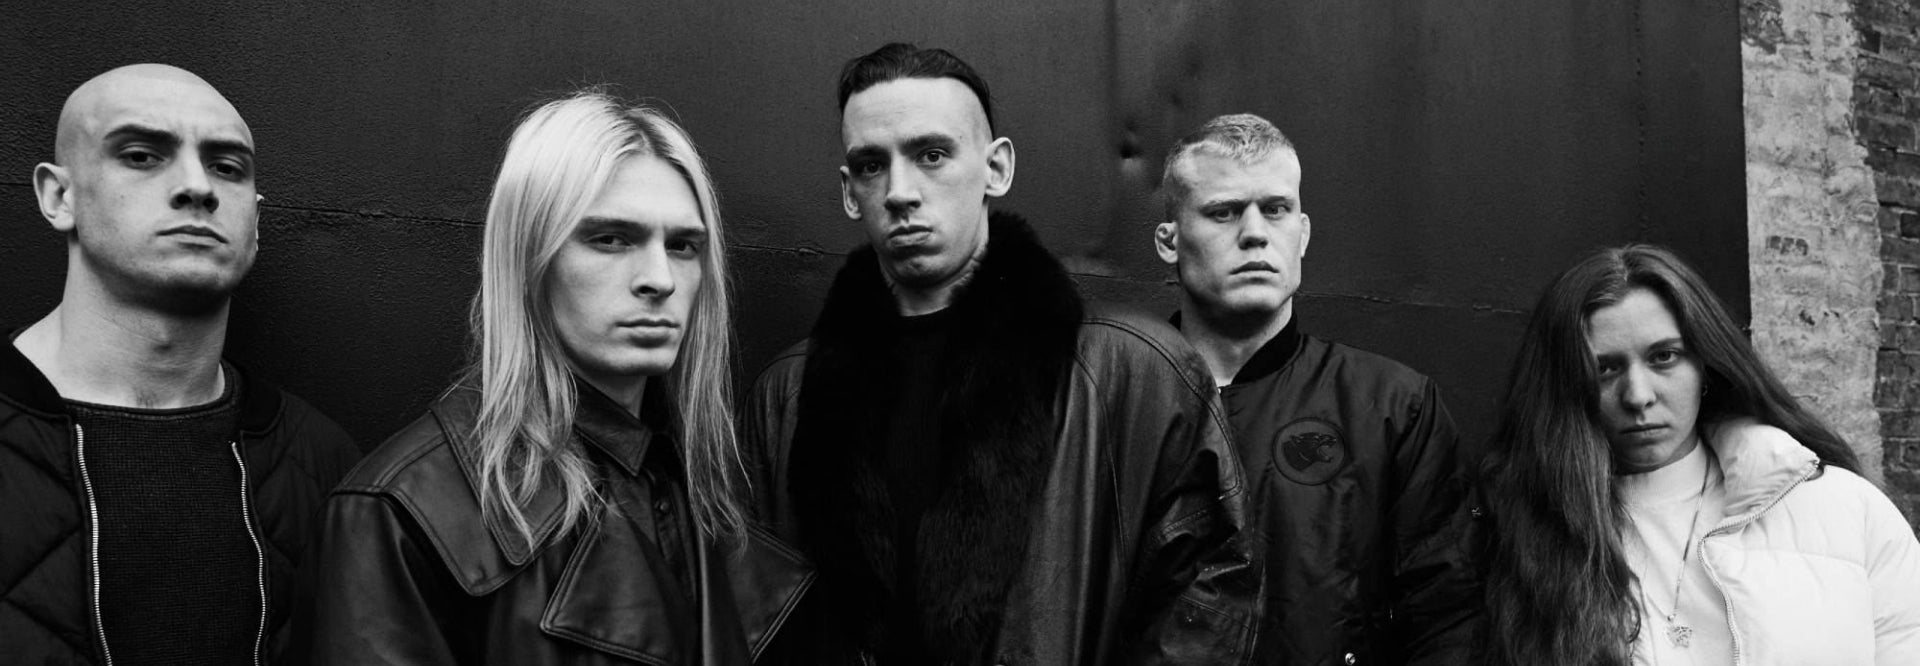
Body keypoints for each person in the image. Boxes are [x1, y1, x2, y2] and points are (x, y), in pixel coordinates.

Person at [745, 43, 1260, 665]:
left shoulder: (1133, 371)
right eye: (871, 164)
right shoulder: (788, 396)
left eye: (931, 155)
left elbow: (1211, 597)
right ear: (850, 192)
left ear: (996, 168)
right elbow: (756, 620)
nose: (900, 191)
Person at [294, 91, 810, 665]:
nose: (660, 278)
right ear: (528, 258)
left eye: (683, 245)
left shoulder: (702, 486)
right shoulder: (400, 513)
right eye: (610, 239)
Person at [0, 64, 361, 664]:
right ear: (60, 197)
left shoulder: (325, 463)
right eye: (142, 156)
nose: (198, 187)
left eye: (228, 167)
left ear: (255, 221)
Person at [1482, 244, 1920, 665]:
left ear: (1705, 365)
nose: (1638, 396)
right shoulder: (1524, 532)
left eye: (1664, 357)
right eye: (1605, 368)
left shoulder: (1845, 508)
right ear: (1567, 385)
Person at [1153, 113, 1481, 664]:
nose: (1254, 232)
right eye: (1224, 211)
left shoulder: (1392, 408)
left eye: (1275, 209)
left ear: (1302, 234)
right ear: (1170, 240)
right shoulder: (1113, 401)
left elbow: (1447, 620)